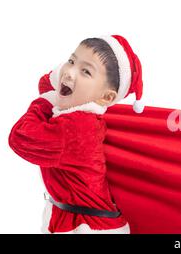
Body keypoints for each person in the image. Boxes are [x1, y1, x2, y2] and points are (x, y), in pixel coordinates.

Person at [8, 35, 143, 234]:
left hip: (86, 227)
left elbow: (20, 138)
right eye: (71, 61)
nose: (69, 72)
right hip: (71, 217)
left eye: (86, 71)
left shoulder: (77, 128)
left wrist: (45, 100)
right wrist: (54, 89)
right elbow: (46, 83)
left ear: (106, 97)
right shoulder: (79, 113)